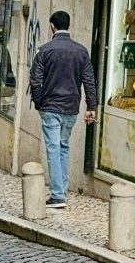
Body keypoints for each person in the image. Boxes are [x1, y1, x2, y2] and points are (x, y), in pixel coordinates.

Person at [30, 11, 97, 209]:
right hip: (71, 107)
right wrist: (91, 107)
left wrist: (38, 103)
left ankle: (58, 195)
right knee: (63, 146)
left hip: (50, 106)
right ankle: (62, 190)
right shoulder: (81, 51)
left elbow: (35, 81)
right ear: (69, 25)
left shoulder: (44, 51)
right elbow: (89, 81)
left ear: (52, 26)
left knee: (53, 148)